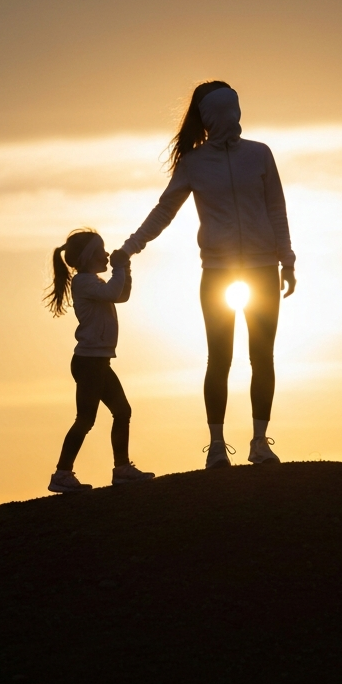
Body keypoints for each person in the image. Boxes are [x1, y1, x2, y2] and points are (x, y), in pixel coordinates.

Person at [116, 81, 296, 468]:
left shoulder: (260, 155)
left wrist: (288, 260)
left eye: (235, 106)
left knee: (262, 357)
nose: (233, 115)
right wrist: (131, 247)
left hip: (264, 268)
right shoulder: (194, 164)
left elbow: (276, 208)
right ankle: (217, 447)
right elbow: (164, 211)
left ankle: (259, 443)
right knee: (220, 359)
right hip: (217, 273)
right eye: (226, 108)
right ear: (213, 115)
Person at [44, 228, 154, 492]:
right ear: (89, 256)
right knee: (85, 419)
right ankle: (62, 474)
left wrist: (124, 268)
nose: (106, 254)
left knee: (122, 411)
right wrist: (118, 268)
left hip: (99, 361)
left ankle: (122, 468)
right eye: (101, 251)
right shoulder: (84, 281)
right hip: (89, 363)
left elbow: (121, 294)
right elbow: (114, 293)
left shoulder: (92, 281)